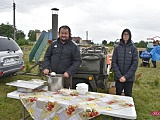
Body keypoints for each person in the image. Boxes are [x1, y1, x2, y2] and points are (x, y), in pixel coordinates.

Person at [112, 29, 138, 97]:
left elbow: (134, 64)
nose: (126, 36)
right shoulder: (117, 48)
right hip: (119, 78)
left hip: (129, 79)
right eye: (124, 34)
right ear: (122, 36)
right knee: (118, 96)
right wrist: (120, 76)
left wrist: (126, 77)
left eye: (127, 34)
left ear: (130, 36)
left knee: (128, 96)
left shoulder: (133, 49)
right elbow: (114, 63)